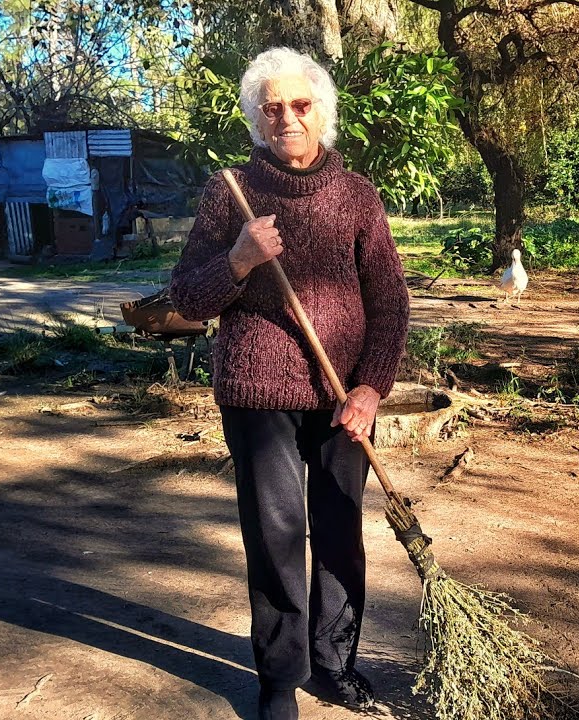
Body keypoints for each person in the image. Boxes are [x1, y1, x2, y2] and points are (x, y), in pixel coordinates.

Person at [169, 47, 410, 720]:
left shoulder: (356, 196)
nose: (287, 119)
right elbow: (188, 298)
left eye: (300, 105)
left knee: (338, 533)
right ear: (255, 118)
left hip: (342, 401)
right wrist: (240, 261)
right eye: (271, 108)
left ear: (321, 112)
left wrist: (371, 389)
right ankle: (279, 677)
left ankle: (334, 664)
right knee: (274, 536)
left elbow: (390, 301)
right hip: (257, 394)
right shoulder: (230, 193)